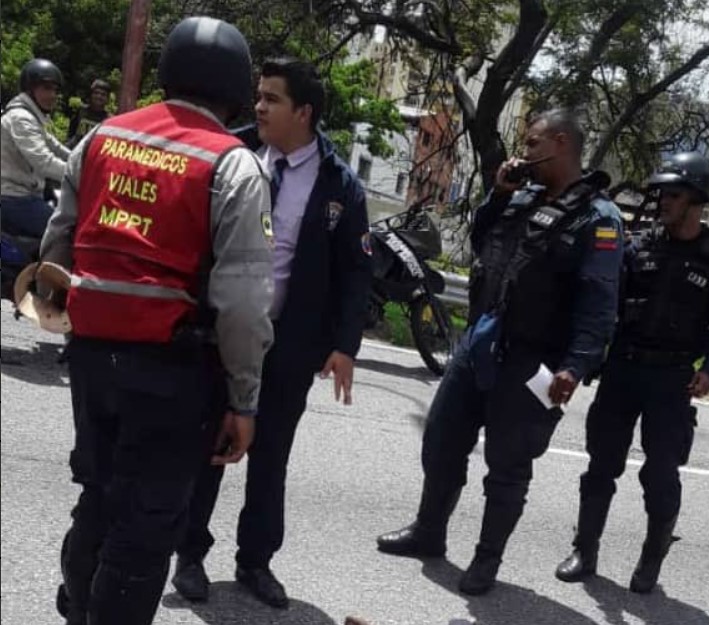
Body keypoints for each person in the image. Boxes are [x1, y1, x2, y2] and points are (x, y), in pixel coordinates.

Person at [38, 16, 274, 625]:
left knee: (99, 494)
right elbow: (244, 305)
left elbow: (56, 247)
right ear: (233, 85)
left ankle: (77, 608)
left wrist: (80, 323)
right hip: (173, 371)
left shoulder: (102, 139)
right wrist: (244, 401)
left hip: (91, 358)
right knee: (145, 527)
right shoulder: (233, 165)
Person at [376, 109, 623, 596]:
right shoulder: (521, 196)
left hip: (537, 362)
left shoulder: (599, 217)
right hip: (482, 340)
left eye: (532, 144)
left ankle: (486, 560)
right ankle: (429, 532)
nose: (523, 152)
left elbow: (599, 302)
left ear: (560, 143)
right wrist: (498, 194)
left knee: (508, 467)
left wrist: (575, 366)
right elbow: (479, 243)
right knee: (442, 440)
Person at [173, 56, 373, 608]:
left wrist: (344, 345)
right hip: (221, 332)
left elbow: (357, 272)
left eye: (272, 99)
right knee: (211, 444)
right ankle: (188, 555)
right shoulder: (230, 152)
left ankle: (255, 562)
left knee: (271, 454)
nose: (258, 107)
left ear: (304, 112)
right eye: (258, 96)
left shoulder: (339, 185)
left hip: (289, 343)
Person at [555, 152, 709, 594]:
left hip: (672, 381)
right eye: (660, 193)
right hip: (622, 370)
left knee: (660, 475)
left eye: (673, 194)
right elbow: (604, 303)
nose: (662, 201)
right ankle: (585, 549)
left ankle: (651, 558)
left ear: (696, 200)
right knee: (601, 466)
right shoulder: (637, 246)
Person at [1, 58, 71, 237]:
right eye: (46, 88)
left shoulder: (34, 117)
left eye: (55, 89)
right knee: (64, 233)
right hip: (13, 198)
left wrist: (84, 160)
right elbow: (44, 162)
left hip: (27, 195)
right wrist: (83, 174)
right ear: (29, 89)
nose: (53, 95)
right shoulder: (21, 118)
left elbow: (56, 147)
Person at [66, 79, 111, 147]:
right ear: (91, 95)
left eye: (103, 94)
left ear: (107, 98)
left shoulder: (109, 120)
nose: (99, 96)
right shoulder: (81, 111)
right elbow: (71, 133)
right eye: (96, 93)